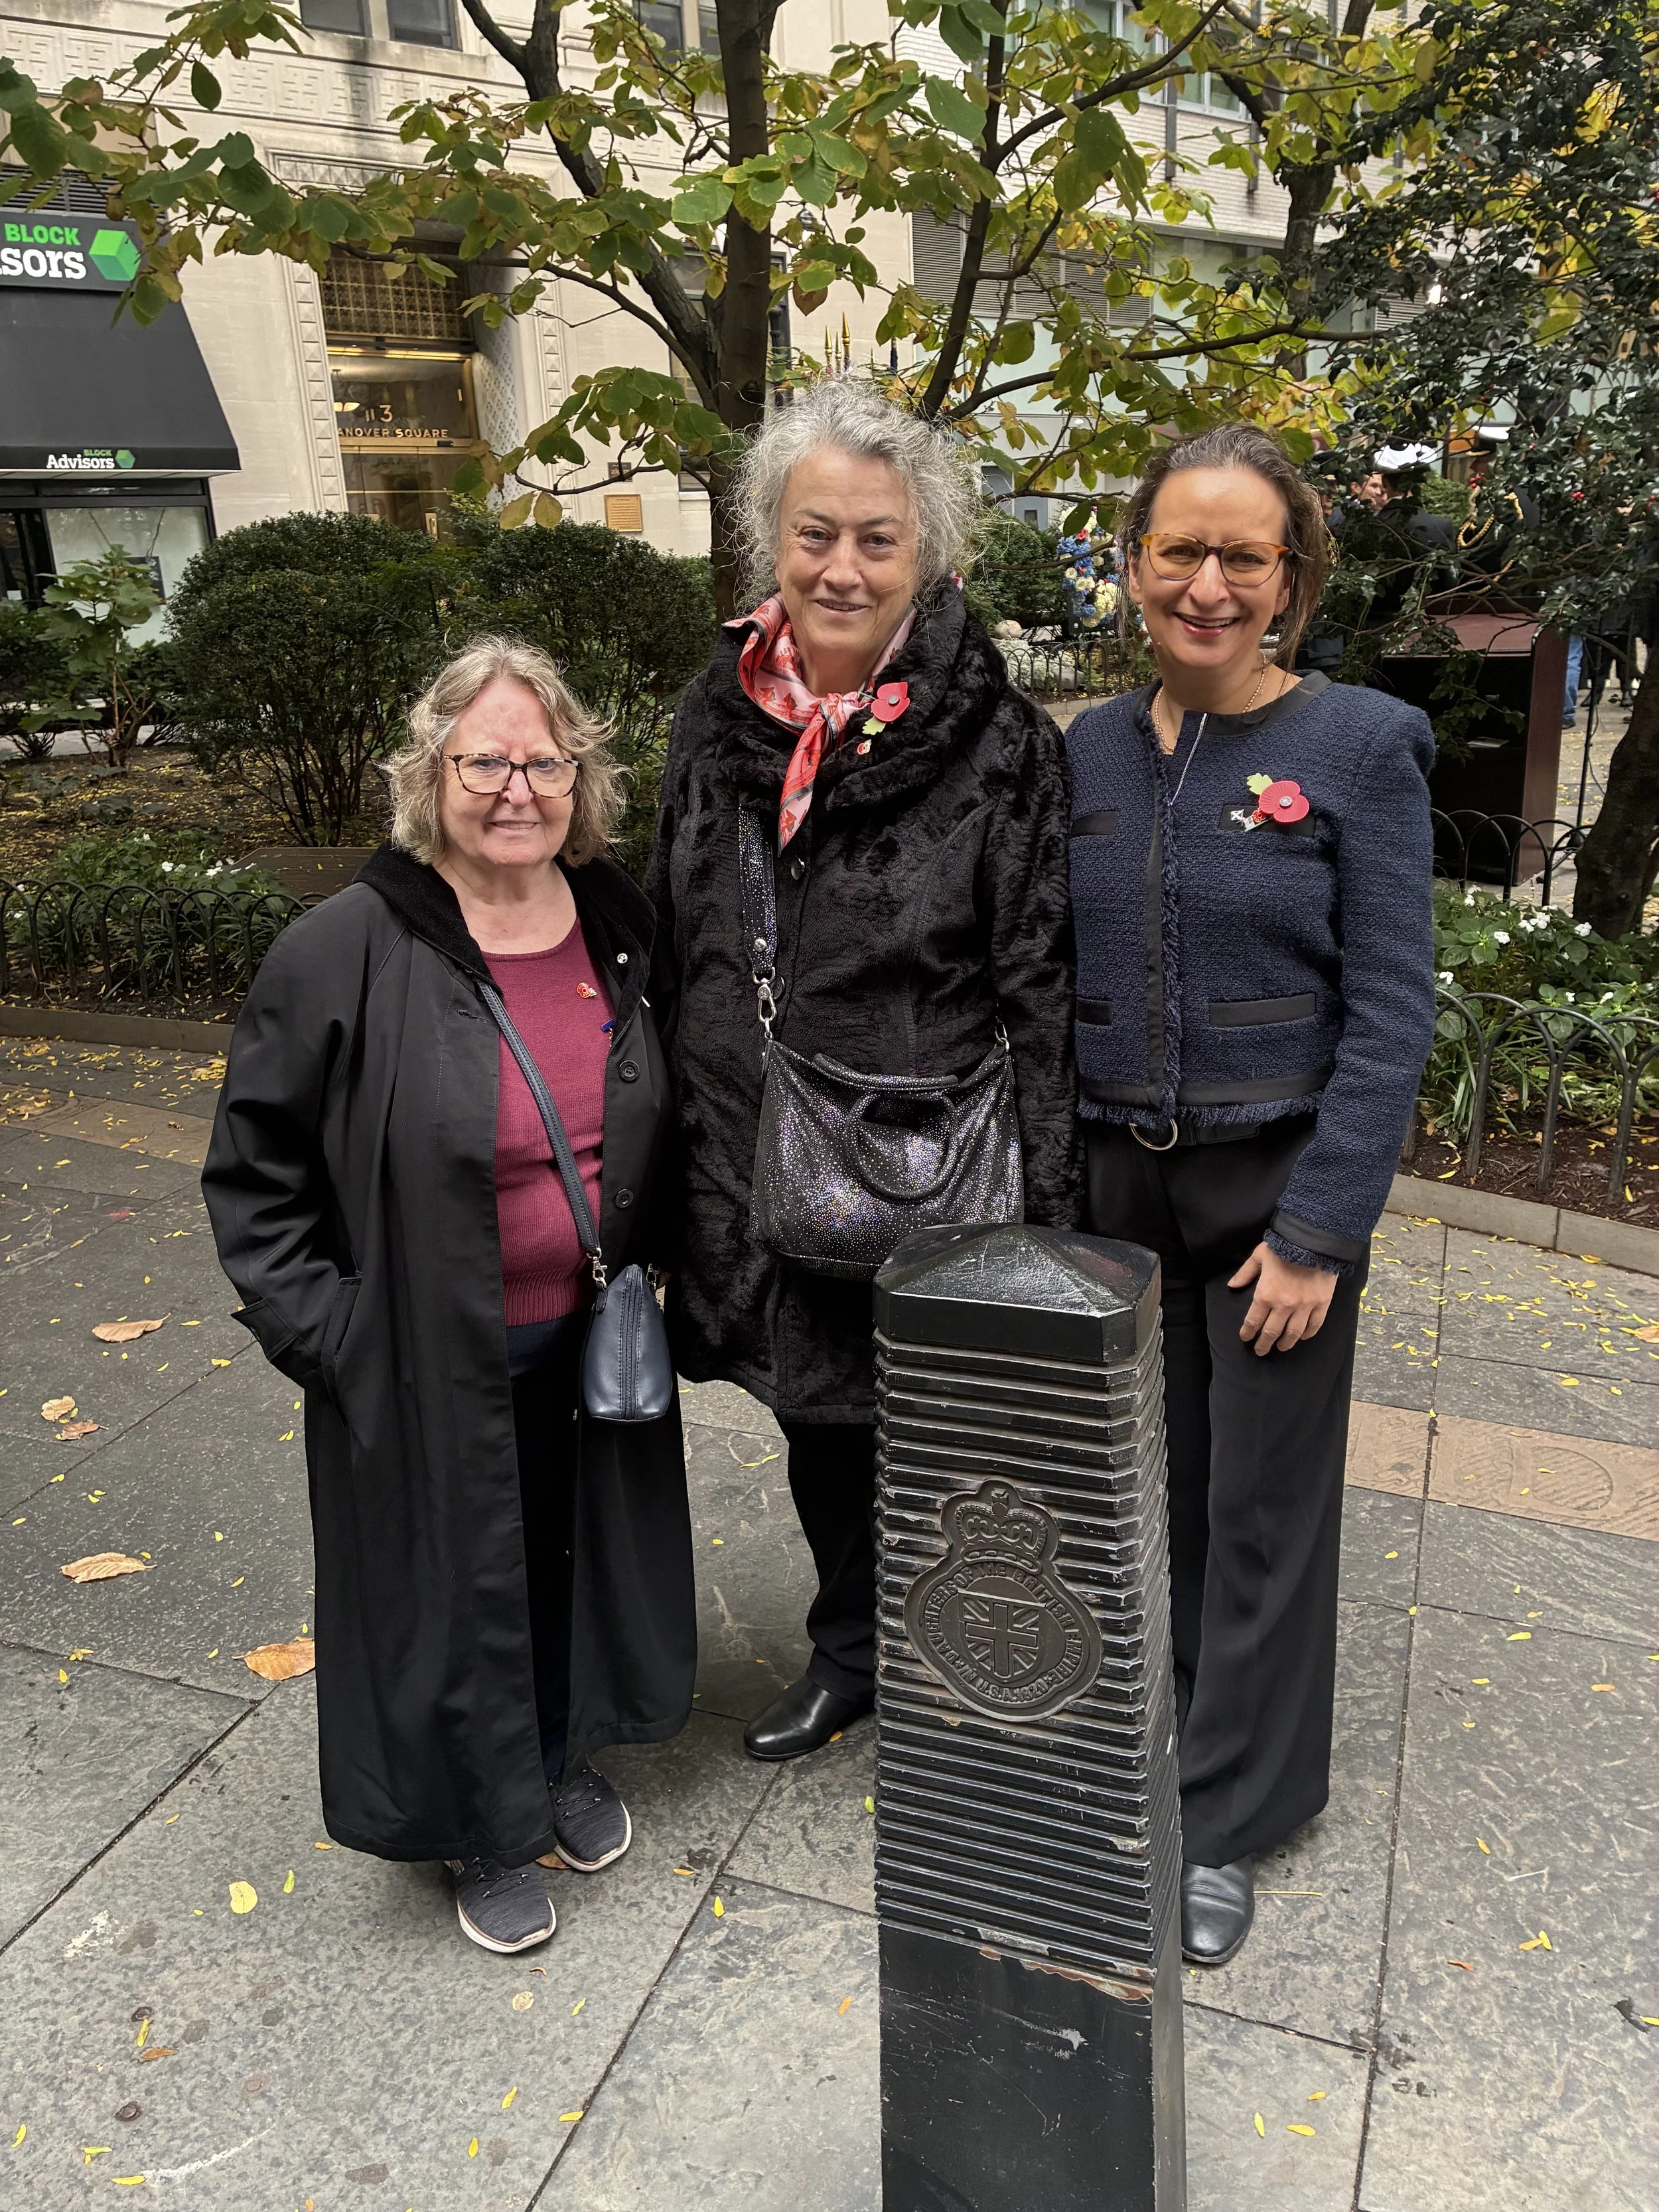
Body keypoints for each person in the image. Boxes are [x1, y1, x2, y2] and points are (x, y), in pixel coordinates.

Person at [202, 636, 695, 1956]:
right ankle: (482, 1819)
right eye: (484, 759)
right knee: (454, 1586)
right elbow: (254, 1177)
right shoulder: (343, 949)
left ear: (578, 775)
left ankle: (559, 1757)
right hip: (423, 1353)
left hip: (588, 1340)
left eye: (542, 759)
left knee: (568, 1561)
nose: (516, 786)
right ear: (432, 773)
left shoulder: (619, 922)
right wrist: (337, 1339)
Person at [646, 381, 1081, 1763]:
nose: (840, 567)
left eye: (876, 541)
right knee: (816, 1426)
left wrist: (1051, 1218)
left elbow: (1039, 986)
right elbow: (668, 938)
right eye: (813, 532)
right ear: (767, 539)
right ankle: (852, 1648)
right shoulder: (710, 725)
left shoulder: (998, 748)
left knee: (947, 1431)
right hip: (744, 1152)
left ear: (929, 558)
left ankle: (965, 1656)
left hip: (921, 1159)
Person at [1066, 423, 1435, 1969]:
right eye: (1178, 552)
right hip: (1106, 1186)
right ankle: (1143, 1740)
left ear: (1291, 577)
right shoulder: (1079, 747)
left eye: (1242, 557)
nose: (1206, 585)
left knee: (1263, 1511)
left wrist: (1322, 1227)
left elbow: (1391, 1006)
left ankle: (1227, 1817)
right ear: (1133, 563)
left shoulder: (1358, 745)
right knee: (1144, 1493)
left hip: (1270, 1184)